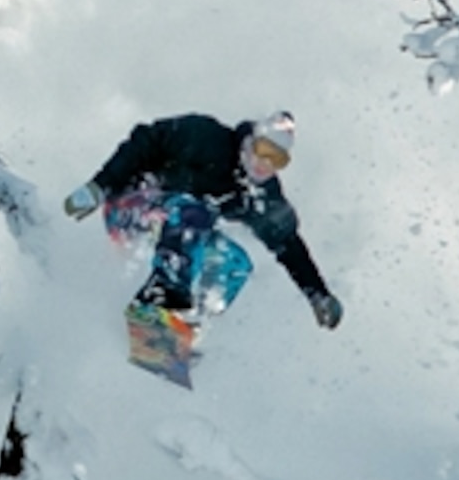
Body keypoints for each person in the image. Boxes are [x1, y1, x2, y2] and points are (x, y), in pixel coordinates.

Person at [63, 110, 342, 386]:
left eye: (277, 160)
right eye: (263, 149)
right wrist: (99, 187)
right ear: (251, 141)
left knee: (234, 264)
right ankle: (154, 307)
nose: (264, 164)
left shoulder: (260, 197)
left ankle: (181, 329)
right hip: (131, 207)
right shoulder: (208, 138)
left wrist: (318, 295)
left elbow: (288, 244)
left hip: (174, 231)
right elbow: (147, 139)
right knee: (194, 214)